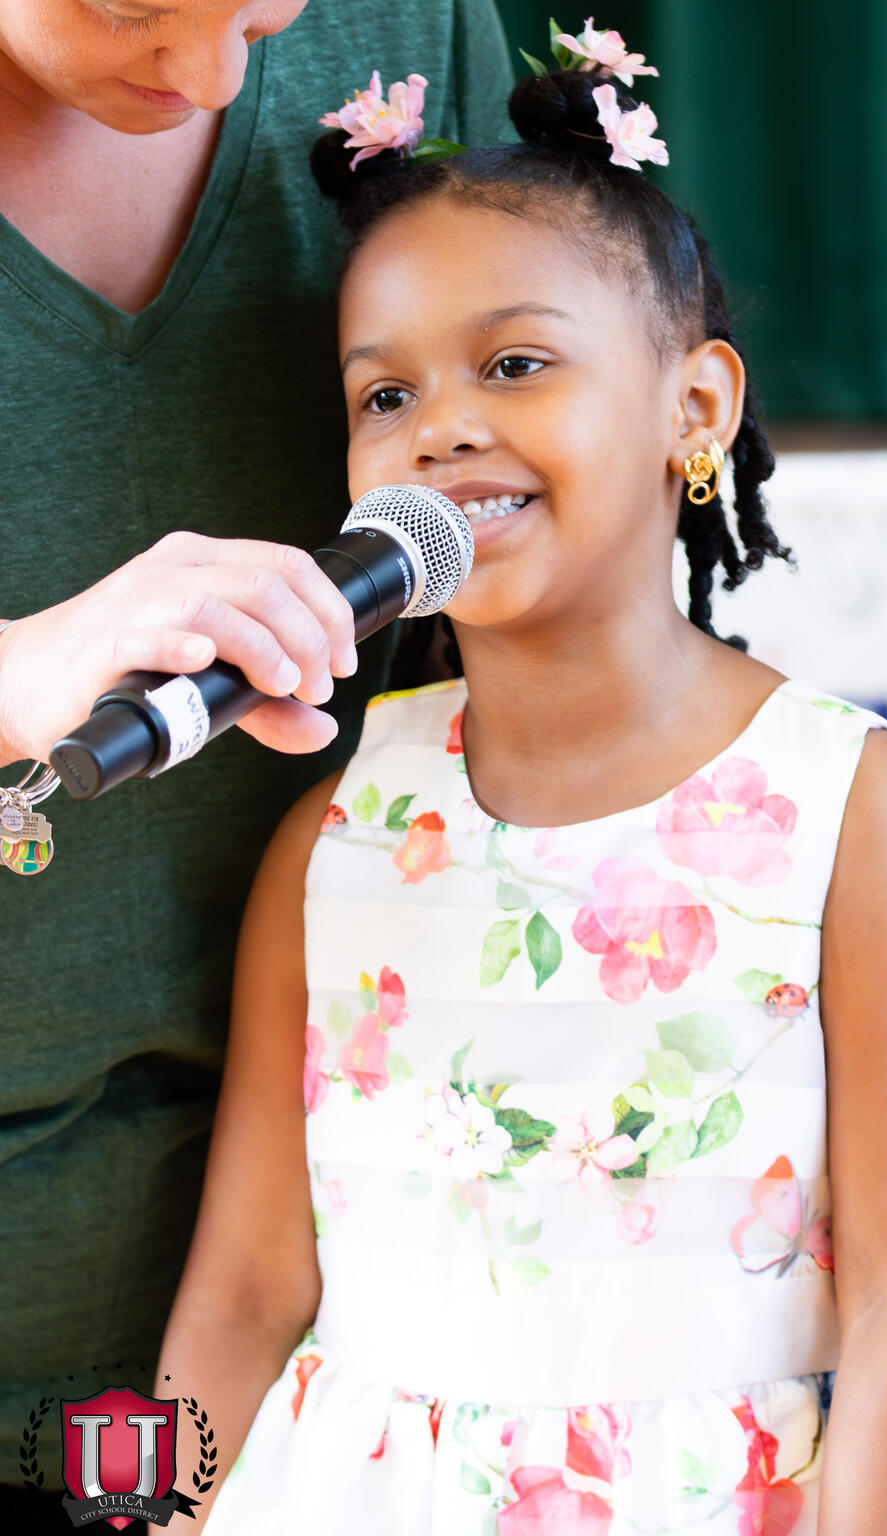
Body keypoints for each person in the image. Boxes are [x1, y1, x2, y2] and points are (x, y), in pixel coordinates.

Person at [157, 36, 887, 1536]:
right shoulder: (337, 837)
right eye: (384, 393)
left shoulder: (849, 809)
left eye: (516, 364)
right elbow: (243, 1293)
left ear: (696, 408)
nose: (440, 426)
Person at [0, 0, 513, 1518]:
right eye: (137, 7)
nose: (217, 76)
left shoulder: (413, 26)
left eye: (262, 13)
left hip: (315, 1354)